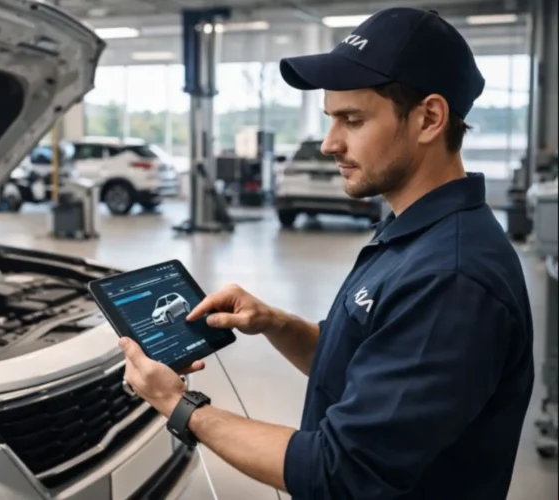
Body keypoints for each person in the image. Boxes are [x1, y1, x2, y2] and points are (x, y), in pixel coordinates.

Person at [118, 7, 534, 500]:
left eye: (351, 120)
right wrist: (275, 322)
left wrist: (178, 405)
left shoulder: (452, 278)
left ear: (429, 118)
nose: (329, 143)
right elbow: (364, 366)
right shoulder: (415, 234)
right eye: (330, 119)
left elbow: (341, 473)